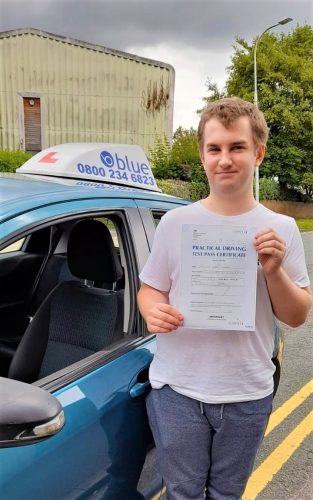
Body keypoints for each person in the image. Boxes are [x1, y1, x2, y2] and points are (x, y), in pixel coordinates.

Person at [137, 97, 312, 500]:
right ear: (202, 156)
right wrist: (152, 310)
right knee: (182, 492)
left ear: (258, 154)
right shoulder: (177, 223)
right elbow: (151, 287)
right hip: (178, 389)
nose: (225, 159)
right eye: (215, 149)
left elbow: (298, 315)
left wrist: (273, 271)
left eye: (237, 147)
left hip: (246, 393)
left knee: (226, 495)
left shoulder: (281, 229)